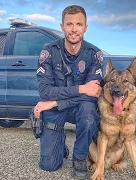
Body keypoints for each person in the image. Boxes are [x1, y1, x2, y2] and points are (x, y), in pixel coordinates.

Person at [34, 5, 104, 179]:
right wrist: (81, 88)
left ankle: (79, 158)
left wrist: (56, 101)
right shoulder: (49, 52)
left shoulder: (93, 54)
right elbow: (45, 92)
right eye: (69, 24)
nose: (74, 29)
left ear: (85, 28)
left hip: (77, 108)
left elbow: (93, 94)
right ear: (62, 26)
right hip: (55, 109)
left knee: (89, 111)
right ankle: (60, 142)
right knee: (49, 165)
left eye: (79, 24)